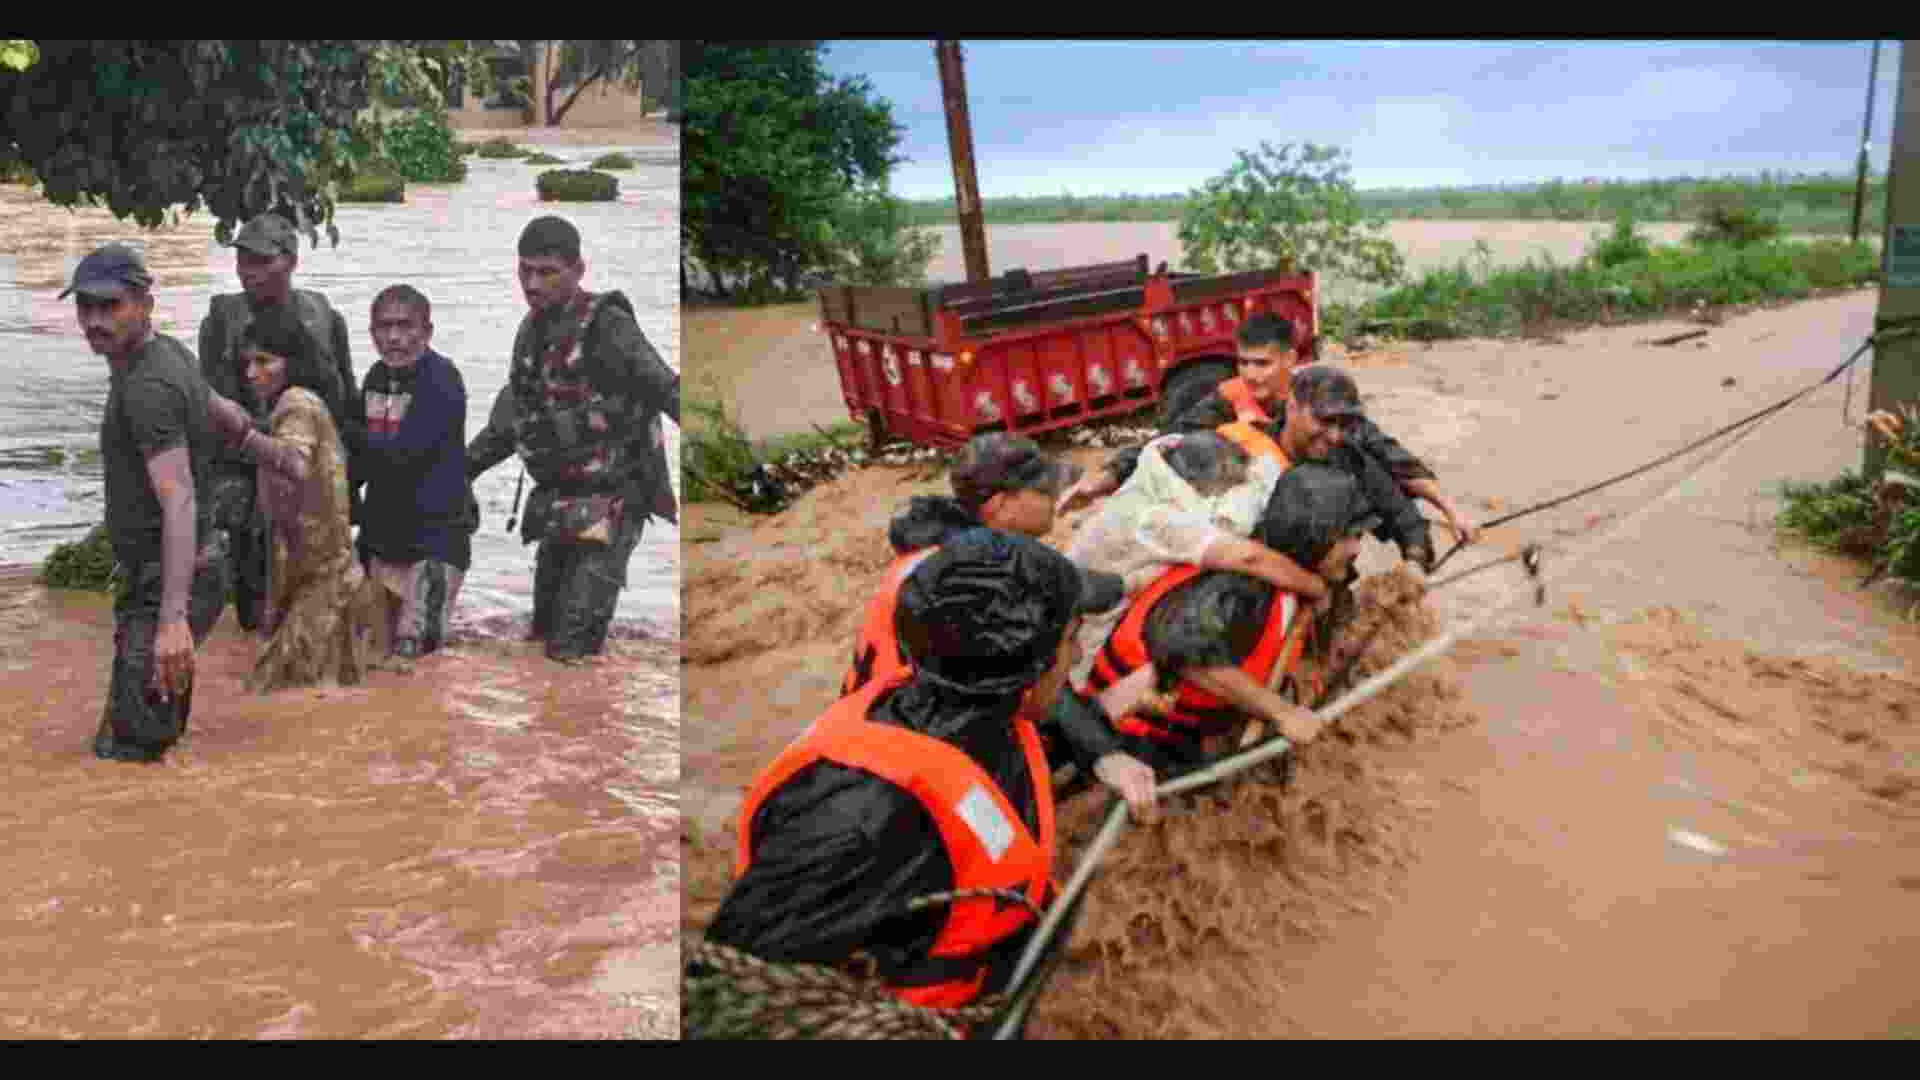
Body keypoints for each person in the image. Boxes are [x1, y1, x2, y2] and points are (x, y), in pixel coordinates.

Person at [693, 529, 1163, 1033]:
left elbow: (993, 790)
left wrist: (1103, 738)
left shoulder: (987, 713)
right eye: (1071, 640)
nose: (1078, 656)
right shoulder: (863, 822)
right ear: (1030, 669)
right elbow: (724, 1003)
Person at [1058, 313, 1478, 570]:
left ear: (1290, 361)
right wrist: (1105, 478)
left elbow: (1392, 461)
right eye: (1244, 363)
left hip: (1314, 523)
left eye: (1262, 363)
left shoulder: (1328, 413)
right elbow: (1167, 443)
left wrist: (1450, 512)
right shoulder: (1227, 405)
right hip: (1250, 531)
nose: (1251, 374)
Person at [465, 215, 680, 663]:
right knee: (541, 639)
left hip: (614, 501)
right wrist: (459, 474)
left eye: (546, 272)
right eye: (525, 271)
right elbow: (509, 426)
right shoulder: (530, 333)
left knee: (571, 652)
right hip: (558, 505)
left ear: (578, 270)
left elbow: (667, 389)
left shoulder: (609, 326)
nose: (532, 284)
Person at [1083, 462, 1381, 777]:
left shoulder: (1290, 577)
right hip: (1131, 739)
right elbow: (1185, 653)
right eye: (1350, 536)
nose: (1357, 547)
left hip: (1177, 731)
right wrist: (1282, 713)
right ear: (1314, 536)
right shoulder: (1241, 588)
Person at [69, 244, 230, 763]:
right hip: (186, 572)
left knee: (129, 755)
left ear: (145, 304)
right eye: (85, 306)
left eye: (109, 306)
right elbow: (222, 411)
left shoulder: (146, 387)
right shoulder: (169, 355)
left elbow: (178, 499)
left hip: (170, 584)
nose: (94, 320)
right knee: (142, 740)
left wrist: (172, 619)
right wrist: (275, 453)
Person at [1063, 429, 1332, 690]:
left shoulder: (1158, 468)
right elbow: (1248, 557)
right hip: (1082, 650)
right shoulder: (1160, 519)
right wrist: (1315, 586)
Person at [197, 213, 361, 634]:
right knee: (257, 610)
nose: (248, 271)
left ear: (291, 261)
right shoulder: (223, 320)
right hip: (248, 475)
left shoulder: (323, 316)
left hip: (313, 472)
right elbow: (213, 409)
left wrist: (346, 479)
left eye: (261, 261)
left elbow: (345, 403)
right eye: (243, 261)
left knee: (317, 601)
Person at [204, 305, 375, 692]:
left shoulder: (297, 403)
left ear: (293, 363)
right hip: (320, 581)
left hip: (325, 587)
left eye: (264, 361)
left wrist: (240, 433)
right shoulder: (293, 404)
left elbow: (294, 462)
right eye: (248, 363)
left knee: (273, 694)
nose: (251, 374)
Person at [842, 432, 1084, 698]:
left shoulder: (949, 555)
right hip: (903, 711)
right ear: (1000, 504)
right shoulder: (967, 579)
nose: (1055, 497)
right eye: (1045, 490)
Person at [351, 285, 471, 668]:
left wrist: (346, 438)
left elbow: (403, 456)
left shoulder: (442, 381)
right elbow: (363, 467)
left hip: (434, 544)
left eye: (405, 326)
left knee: (414, 661)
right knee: (370, 656)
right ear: (372, 333)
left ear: (427, 331)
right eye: (384, 327)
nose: (394, 337)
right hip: (382, 540)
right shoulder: (375, 378)